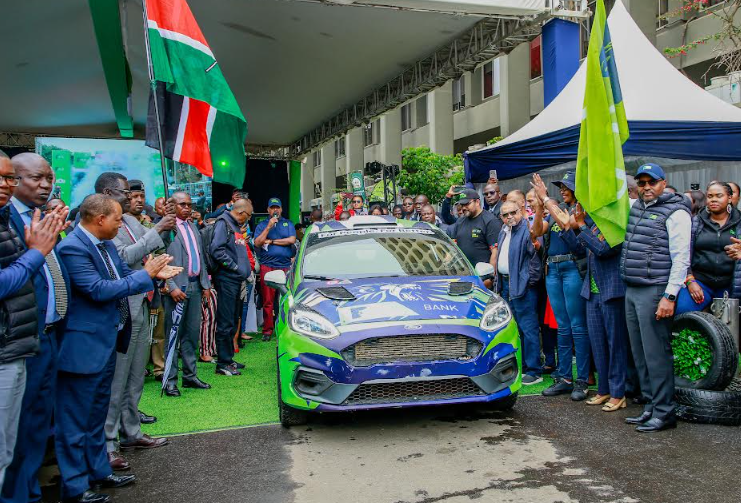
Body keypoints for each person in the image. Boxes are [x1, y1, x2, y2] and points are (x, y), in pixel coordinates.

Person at [55, 194, 179, 503]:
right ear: (99, 220)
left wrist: (150, 274)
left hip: (108, 340)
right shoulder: (72, 248)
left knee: (97, 413)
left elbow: (125, 276)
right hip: (83, 347)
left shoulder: (106, 244)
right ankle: (74, 486)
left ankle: (99, 471)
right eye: (117, 219)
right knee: (75, 421)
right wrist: (146, 275)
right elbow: (98, 290)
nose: (121, 224)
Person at [2, 154, 70, 503]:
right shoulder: (9, 218)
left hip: (48, 333)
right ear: (15, 179)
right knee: (18, 425)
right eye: (35, 179)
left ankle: (30, 489)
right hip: (19, 339)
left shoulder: (43, 219)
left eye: (48, 179)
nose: (45, 185)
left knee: (38, 421)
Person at [105, 179, 174, 470]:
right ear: (108, 195)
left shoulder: (132, 223)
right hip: (124, 306)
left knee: (135, 375)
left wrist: (164, 226)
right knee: (117, 378)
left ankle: (131, 431)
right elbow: (123, 258)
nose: (132, 198)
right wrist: (157, 230)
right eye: (126, 193)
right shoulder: (105, 224)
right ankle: (108, 442)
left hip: (143, 302)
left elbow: (155, 246)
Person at [621, 163, 691, 433]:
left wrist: (669, 296)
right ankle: (650, 406)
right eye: (642, 182)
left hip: (655, 290)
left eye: (652, 182)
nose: (646, 187)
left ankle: (665, 412)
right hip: (633, 287)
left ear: (664, 183)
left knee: (656, 355)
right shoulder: (637, 206)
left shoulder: (676, 212)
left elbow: (681, 258)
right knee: (640, 354)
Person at [531, 172, 591, 402]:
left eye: (567, 186)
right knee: (562, 327)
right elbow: (536, 232)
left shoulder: (580, 208)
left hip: (572, 267)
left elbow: (568, 224)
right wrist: (538, 207)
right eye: (561, 187)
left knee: (577, 326)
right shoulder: (555, 210)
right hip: (552, 270)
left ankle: (583, 380)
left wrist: (546, 199)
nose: (563, 190)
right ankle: (565, 378)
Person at [566, 203, 629, 412]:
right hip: (591, 293)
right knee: (598, 344)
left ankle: (619, 393)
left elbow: (602, 250)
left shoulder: (617, 226)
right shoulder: (592, 226)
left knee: (615, 344)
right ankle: (603, 390)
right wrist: (573, 226)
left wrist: (582, 225)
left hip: (611, 292)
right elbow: (579, 249)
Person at [162, 191, 212, 397]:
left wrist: (205, 283)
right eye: (182, 204)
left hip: (195, 286)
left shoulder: (192, 227)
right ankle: (170, 380)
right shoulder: (167, 228)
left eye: (189, 204)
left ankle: (190, 376)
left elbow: (199, 257)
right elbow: (159, 258)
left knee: (191, 336)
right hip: (176, 288)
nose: (188, 208)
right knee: (173, 336)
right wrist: (170, 285)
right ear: (172, 205)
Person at [495, 201, 543, 385]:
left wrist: (528, 282)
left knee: (528, 327)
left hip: (522, 285)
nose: (509, 217)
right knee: (516, 328)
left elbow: (534, 259)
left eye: (513, 213)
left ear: (521, 211)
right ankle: (523, 367)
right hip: (507, 284)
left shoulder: (527, 228)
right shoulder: (503, 230)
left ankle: (534, 370)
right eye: (505, 215)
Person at [676, 182, 741, 314]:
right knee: (683, 312)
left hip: (730, 284)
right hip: (700, 282)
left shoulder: (739, 222)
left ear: (729, 198)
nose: (714, 199)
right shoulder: (695, 222)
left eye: (719, 195)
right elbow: (684, 253)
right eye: (710, 196)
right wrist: (690, 281)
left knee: (730, 326)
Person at [209, 199, 253, 376]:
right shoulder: (223, 223)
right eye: (249, 216)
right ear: (242, 213)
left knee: (233, 319)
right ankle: (223, 363)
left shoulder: (234, 225)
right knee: (226, 321)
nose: (248, 220)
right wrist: (234, 267)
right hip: (227, 279)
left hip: (236, 280)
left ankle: (228, 359)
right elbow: (216, 250)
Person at [253, 198, 296, 341]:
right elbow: (258, 243)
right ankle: (267, 330)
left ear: (281, 209)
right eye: (272, 208)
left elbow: (291, 240)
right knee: (268, 300)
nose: (275, 210)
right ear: (268, 210)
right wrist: (269, 228)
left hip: (285, 266)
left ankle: (286, 328)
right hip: (268, 265)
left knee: (285, 299)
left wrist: (271, 241)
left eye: (277, 207)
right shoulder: (262, 225)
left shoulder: (287, 223)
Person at [441, 188, 498, 270]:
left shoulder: (490, 221)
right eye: (462, 205)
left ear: (477, 202)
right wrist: (444, 265)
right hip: (463, 273)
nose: (464, 208)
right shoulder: (460, 222)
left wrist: (490, 276)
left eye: (467, 204)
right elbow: (454, 248)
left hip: (482, 275)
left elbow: (495, 253)